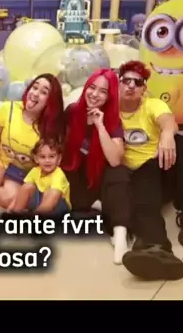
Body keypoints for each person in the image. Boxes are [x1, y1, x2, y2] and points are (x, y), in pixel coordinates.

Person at [118, 60, 183, 281]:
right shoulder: (111, 112)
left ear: (144, 89)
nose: (131, 86)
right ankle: (155, 247)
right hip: (140, 179)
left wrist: (167, 134)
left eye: (137, 82)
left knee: (181, 143)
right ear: (118, 84)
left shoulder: (152, 104)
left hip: (164, 169)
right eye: (126, 81)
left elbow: (167, 120)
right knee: (143, 188)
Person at [62, 68, 131, 264]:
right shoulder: (72, 111)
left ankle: (120, 234)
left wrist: (100, 126)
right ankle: (98, 206)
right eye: (92, 87)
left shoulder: (112, 120)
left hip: (101, 175)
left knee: (119, 172)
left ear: (109, 96)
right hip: (77, 176)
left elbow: (115, 160)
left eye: (103, 91)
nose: (94, 94)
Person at [0, 74, 65, 208]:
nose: (35, 93)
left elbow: (47, 161)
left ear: (50, 101)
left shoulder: (49, 128)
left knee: (8, 198)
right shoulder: (7, 109)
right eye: (34, 87)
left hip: (21, 171)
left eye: (43, 92)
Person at [9, 138, 71, 215]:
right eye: (42, 157)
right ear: (36, 159)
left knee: (51, 192)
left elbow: (53, 199)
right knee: (27, 186)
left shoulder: (59, 175)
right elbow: (21, 193)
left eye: (51, 156)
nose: (47, 160)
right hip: (40, 202)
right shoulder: (35, 171)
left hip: (58, 208)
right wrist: (11, 209)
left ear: (59, 159)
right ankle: (16, 214)